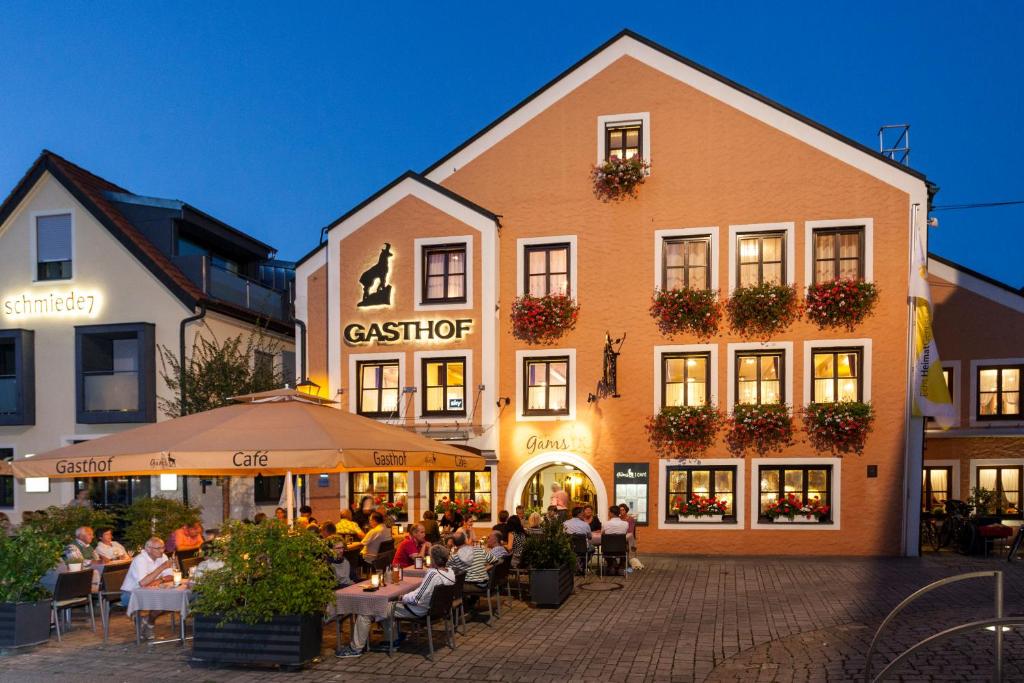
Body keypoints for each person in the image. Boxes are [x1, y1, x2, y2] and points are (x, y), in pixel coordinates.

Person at [336, 545, 455, 658]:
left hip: (418, 610)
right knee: (384, 605)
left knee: (367, 610)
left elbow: (417, 598)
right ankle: (391, 640)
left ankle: (355, 648)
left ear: (434, 559)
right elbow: (422, 592)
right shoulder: (450, 573)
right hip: (436, 609)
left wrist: (403, 597)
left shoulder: (433, 574)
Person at [121, 537, 174, 639]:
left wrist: (158, 580)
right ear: (148, 549)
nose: (162, 550)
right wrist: (162, 568)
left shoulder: (163, 557)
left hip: (153, 590)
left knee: (170, 600)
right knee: (161, 601)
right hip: (131, 593)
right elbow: (143, 583)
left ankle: (147, 621)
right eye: (158, 548)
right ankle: (147, 624)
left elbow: (171, 576)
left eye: (163, 547)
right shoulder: (140, 560)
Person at [603, 506, 630, 576]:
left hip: (608, 550)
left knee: (605, 549)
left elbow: (603, 534)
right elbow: (625, 534)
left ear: (611, 513)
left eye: (609, 512)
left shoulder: (606, 524)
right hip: (621, 550)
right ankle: (620, 566)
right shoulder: (625, 524)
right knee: (625, 547)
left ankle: (611, 565)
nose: (608, 514)